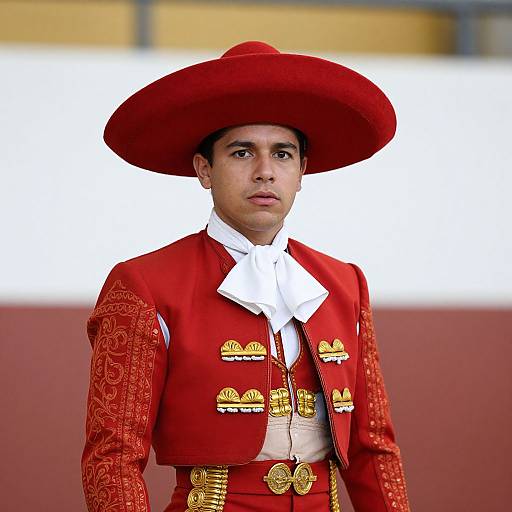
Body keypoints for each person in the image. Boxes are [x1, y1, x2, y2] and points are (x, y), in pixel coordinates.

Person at [81, 40, 410, 512]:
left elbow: (374, 449)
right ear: (204, 170)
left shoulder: (345, 283)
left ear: (301, 172)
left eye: (282, 154)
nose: (264, 172)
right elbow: (112, 457)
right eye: (241, 152)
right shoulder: (144, 284)